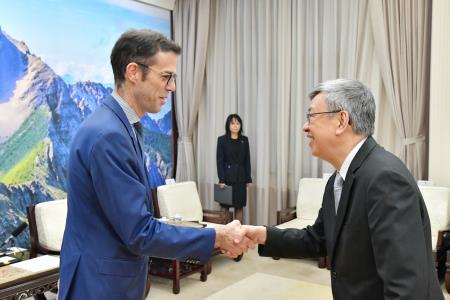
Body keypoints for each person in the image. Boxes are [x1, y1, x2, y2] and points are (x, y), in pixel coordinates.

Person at [59, 29, 253, 300]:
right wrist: (217, 237)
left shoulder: (120, 126)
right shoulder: (109, 135)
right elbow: (139, 232)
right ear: (133, 72)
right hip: (100, 286)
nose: (172, 87)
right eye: (166, 77)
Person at [244, 79, 443, 300]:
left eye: (311, 116)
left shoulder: (384, 178)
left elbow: (406, 288)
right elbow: (319, 239)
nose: (305, 126)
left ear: (341, 120)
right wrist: (263, 235)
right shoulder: (338, 179)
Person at [216, 114, 252, 223]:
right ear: (228, 125)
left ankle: (238, 232)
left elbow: (247, 160)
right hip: (226, 178)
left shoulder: (244, 140)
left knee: (239, 206)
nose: (235, 126)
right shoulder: (222, 140)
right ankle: (225, 232)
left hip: (240, 178)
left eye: (238, 123)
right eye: (232, 123)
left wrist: (248, 179)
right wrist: (221, 179)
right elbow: (220, 161)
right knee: (225, 207)